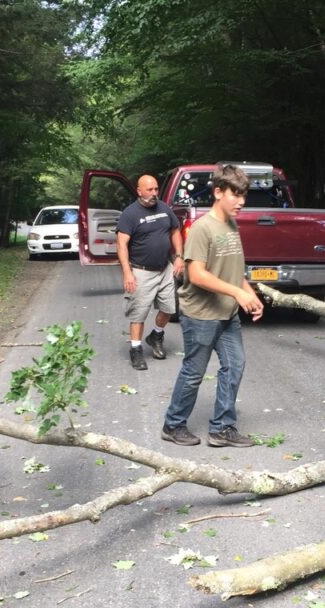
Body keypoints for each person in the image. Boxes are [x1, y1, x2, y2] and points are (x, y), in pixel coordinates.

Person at [162, 164, 263, 448]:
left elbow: (233, 269)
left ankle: (222, 428)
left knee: (235, 365)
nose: (241, 202)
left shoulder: (231, 224)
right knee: (194, 372)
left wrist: (249, 293)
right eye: (235, 194)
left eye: (243, 195)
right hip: (201, 315)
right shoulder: (202, 228)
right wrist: (237, 293)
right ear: (218, 192)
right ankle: (173, 424)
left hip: (227, 313)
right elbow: (196, 275)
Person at [116, 174, 184, 370]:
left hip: (165, 269)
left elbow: (175, 231)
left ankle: (156, 336)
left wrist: (179, 256)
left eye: (156, 189)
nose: (154, 193)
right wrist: (127, 272)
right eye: (149, 190)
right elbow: (121, 245)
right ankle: (136, 350)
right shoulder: (130, 214)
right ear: (139, 191)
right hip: (141, 271)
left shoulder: (164, 208)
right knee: (138, 314)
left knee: (169, 309)